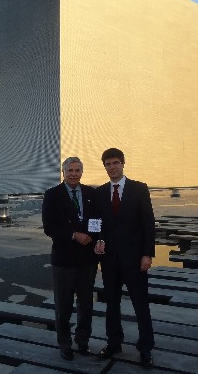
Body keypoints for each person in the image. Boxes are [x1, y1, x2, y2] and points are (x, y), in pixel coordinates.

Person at [94, 147, 156, 369]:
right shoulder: (100, 193)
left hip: (135, 259)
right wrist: (98, 239)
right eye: (108, 164)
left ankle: (146, 348)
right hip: (109, 260)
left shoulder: (139, 189)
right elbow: (97, 222)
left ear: (123, 163)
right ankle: (114, 342)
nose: (112, 167)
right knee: (112, 304)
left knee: (141, 305)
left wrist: (147, 253)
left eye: (115, 163)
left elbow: (148, 224)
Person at [42, 156, 100, 361]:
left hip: (87, 259)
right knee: (63, 305)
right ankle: (64, 343)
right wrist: (74, 235)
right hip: (64, 260)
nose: (73, 174)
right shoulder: (52, 195)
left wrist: (98, 240)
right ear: (63, 172)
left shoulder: (91, 193)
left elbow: (97, 221)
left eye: (77, 170)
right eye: (70, 170)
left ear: (82, 172)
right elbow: (49, 227)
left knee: (86, 305)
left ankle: (83, 341)